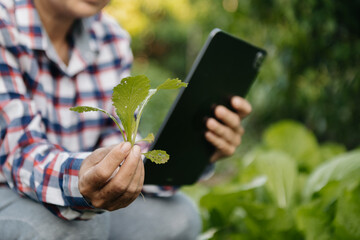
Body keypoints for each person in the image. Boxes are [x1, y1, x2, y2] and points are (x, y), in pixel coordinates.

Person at [0, 0, 252, 239]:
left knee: (178, 218)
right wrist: (80, 178)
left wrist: (195, 150)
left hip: (74, 186)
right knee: (68, 232)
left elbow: (115, 140)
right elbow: (20, 154)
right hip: (7, 188)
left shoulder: (110, 36)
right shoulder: (4, 24)